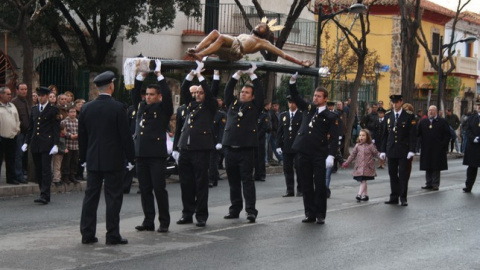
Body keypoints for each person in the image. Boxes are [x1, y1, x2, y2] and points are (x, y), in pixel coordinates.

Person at [79, 71, 135, 245]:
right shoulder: (118, 107)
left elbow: (83, 137)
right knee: (113, 198)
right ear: (111, 86)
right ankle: (112, 234)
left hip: (94, 158)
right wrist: (131, 158)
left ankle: (87, 234)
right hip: (114, 159)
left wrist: (83, 159)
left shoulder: (86, 108)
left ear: (96, 87)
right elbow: (125, 136)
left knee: (90, 197)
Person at [289, 73, 339, 225]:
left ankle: (320, 214)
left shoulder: (330, 116)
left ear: (325, 99)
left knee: (319, 185)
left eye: (319, 96)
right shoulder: (308, 108)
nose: (315, 98)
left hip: (319, 153)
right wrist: (292, 82)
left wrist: (331, 156)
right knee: (306, 184)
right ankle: (309, 212)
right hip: (303, 152)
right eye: (315, 95)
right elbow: (296, 97)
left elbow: (335, 138)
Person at [132, 61, 173, 233]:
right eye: (147, 94)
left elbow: (169, 97)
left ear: (158, 96)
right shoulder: (142, 107)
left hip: (156, 155)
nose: (147, 97)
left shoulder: (163, 109)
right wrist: (141, 76)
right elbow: (135, 94)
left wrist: (159, 75)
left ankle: (164, 221)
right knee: (145, 189)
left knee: (159, 189)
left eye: (151, 94)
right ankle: (148, 220)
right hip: (142, 154)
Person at [174, 61, 217, 228]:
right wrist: (192, 74)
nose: (198, 94)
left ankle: (201, 215)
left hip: (200, 149)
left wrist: (201, 76)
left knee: (200, 183)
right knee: (186, 183)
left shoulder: (209, 107)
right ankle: (187, 213)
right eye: (196, 92)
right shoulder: (191, 106)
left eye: (200, 92)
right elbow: (185, 90)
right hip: (185, 148)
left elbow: (209, 93)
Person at [222, 63, 263, 223]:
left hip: (246, 149)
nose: (243, 94)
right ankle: (235, 209)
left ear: (252, 96)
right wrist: (237, 74)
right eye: (242, 92)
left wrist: (253, 75)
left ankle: (251, 211)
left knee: (247, 181)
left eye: (247, 93)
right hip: (230, 148)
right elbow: (227, 91)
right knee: (233, 182)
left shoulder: (254, 107)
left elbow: (260, 93)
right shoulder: (232, 104)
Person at [187, 19, 313, 67]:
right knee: (215, 33)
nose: (259, 26)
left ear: (265, 33)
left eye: (263, 27)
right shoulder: (245, 35)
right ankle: (197, 50)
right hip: (229, 48)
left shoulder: (262, 42)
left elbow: (283, 54)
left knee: (220, 37)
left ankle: (201, 55)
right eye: (259, 24)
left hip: (237, 51)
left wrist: (301, 62)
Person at [22, 86, 60, 204]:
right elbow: (31, 128)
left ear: (47, 96)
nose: (40, 98)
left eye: (42, 96)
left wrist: (55, 144)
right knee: (38, 170)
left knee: (45, 170)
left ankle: (45, 195)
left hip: (47, 144)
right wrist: (26, 142)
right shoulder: (34, 109)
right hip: (35, 143)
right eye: (38, 96)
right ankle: (42, 192)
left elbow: (56, 129)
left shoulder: (53, 110)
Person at [380, 95, 416, 206]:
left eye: (396, 102)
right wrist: (383, 150)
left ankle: (403, 197)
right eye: (393, 102)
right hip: (391, 149)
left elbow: (412, 134)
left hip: (403, 150)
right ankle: (394, 196)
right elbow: (385, 134)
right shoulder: (388, 115)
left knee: (403, 174)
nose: (394, 105)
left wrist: (411, 149)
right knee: (392, 173)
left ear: (401, 102)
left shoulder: (409, 116)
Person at [417, 105, 450, 191]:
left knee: (436, 166)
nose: (430, 112)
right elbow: (418, 134)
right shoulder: (423, 122)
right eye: (429, 111)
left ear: (436, 112)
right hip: (426, 147)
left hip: (438, 148)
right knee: (427, 165)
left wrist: (443, 144)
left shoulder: (442, 122)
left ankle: (435, 184)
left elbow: (447, 134)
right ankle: (428, 183)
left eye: (432, 110)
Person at [342, 129, 380, 202]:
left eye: (363, 135)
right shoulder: (357, 146)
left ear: (367, 137)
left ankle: (359, 194)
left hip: (368, 167)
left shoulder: (370, 145)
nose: (361, 137)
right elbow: (352, 155)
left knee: (363, 180)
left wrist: (381, 156)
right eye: (360, 135)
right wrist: (347, 162)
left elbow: (376, 153)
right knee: (363, 180)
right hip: (359, 167)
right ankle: (366, 195)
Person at [276, 95, 303, 197]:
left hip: (298, 147)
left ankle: (300, 189)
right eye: (290, 103)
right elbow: (280, 131)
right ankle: (289, 190)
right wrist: (278, 145)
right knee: (287, 169)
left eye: (293, 103)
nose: (291, 105)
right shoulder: (283, 115)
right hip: (286, 146)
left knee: (299, 168)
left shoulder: (301, 115)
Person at [208, 70, 226, 188]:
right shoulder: (207, 113)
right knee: (207, 162)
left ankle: (212, 179)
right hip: (205, 140)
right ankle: (212, 178)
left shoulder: (221, 115)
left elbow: (221, 129)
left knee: (213, 162)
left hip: (215, 142)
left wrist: (220, 142)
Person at [0, 87, 21, 185]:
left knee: (11, 158)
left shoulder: (12, 106)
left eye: (10, 94)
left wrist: (17, 129)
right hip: (1, 137)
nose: (10, 96)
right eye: (7, 94)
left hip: (12, 137)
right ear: (1, 95)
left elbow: (17, 119)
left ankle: (11, 178)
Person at [11, 83, 30, 184]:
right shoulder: (14, 102)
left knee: (25, 154)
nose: (24, 91)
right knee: (18, 154)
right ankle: (18, 174)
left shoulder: (25, 101)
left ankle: (23, 171)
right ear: (17, 90)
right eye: (22, 89)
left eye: (25, 89)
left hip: (27, 132)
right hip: (20, 132)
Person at [462, 101, 480, 193]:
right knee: (472, 168)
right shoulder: (472, 118)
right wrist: (473, 138)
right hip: (473, 146)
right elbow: (467, 129)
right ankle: (468, 186)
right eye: (479, 105)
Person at [61, 106, 80, 185]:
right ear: (68, 113)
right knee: (66, 161)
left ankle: (73, 175)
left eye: (74, 112)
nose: (73, 114)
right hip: (68, 145)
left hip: (76, 145)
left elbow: (81, 130)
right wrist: (70, 135)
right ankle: (65, 176)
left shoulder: (78, 121)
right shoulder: (64, 122)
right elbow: (63, 132)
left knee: (74, 161)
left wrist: (77, 135)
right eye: (71, 112)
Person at [254, 103, 271, 182]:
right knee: (255, 158)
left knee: (261, 158)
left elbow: (265, 127)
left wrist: (257, 136)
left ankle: (262, 175)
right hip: (253, 140)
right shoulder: (254, 114)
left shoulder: (264, 115)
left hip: (260, 139)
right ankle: (256, 174)